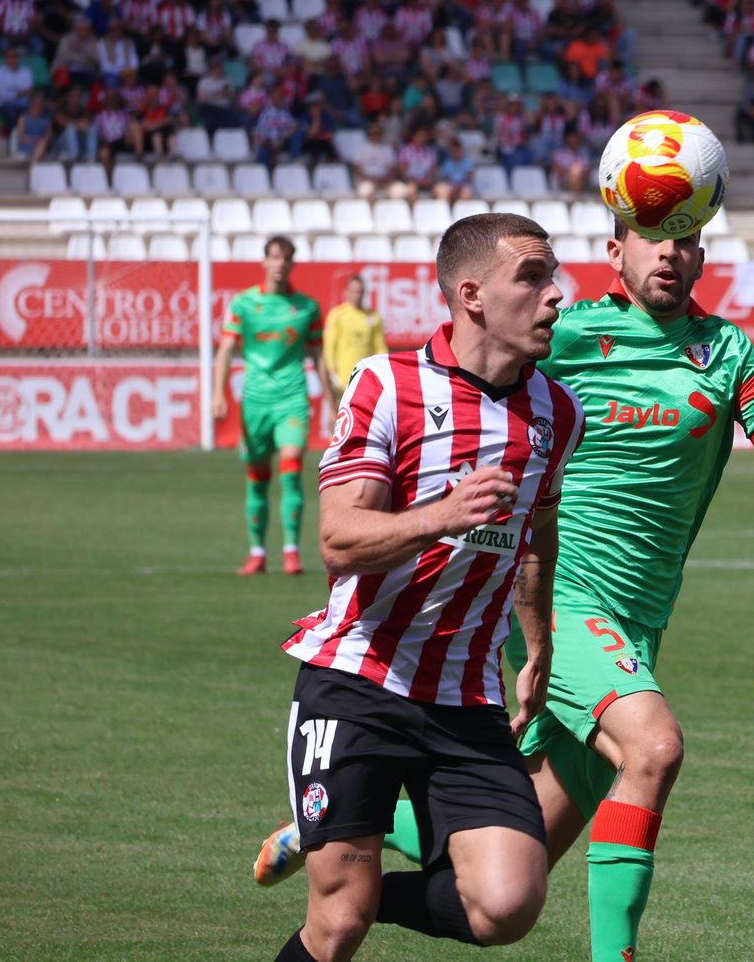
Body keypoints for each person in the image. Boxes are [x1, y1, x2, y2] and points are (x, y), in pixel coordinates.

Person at [257, 197, 754, 962]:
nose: (669, 254)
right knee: (653, 748)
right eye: (652, 240)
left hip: (632, 622)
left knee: (516, 888)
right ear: (614, 251)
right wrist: (447, 526)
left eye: (685, 241)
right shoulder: (564, 338)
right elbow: (471, 369)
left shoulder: (723, 351)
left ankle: (342, 834)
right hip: (570, 605)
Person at [267, 213, 583, 962]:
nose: (555, 296)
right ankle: (351, 897)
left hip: (466, 699)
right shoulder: (386, 384)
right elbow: (338, 540)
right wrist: (442, 514)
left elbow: (539, 532)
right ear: (471, 294)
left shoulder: (556, 412)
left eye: (553, 276)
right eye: (532, 278)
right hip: (357, 682)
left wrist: (536, 644)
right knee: (337, 922)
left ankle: (363, 893)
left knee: (507, 905)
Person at [211, 237, 333, 577]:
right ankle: (258, 553)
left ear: (293, 264)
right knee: (257, 479)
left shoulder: (306, 307)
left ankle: (292, 552)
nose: (280, 263)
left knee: (292, 470)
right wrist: (217, 393)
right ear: (264, 261)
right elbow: (225, 350)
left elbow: (318, 355)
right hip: (255, 402)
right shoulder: (245, 304)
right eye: (275, 257)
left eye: (286, 258)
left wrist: (331, 401)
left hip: (292, 399)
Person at [320, 274, 387, 413]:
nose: (357, 295)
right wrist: (333, 374)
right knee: (341, 421)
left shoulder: (373, 317)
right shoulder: (338, 315)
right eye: (354, 291)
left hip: (365, 382)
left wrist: (384, 371)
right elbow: (329, 348)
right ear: (346, 293)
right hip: (342, 380)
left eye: (360, 291)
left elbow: (380, 348)